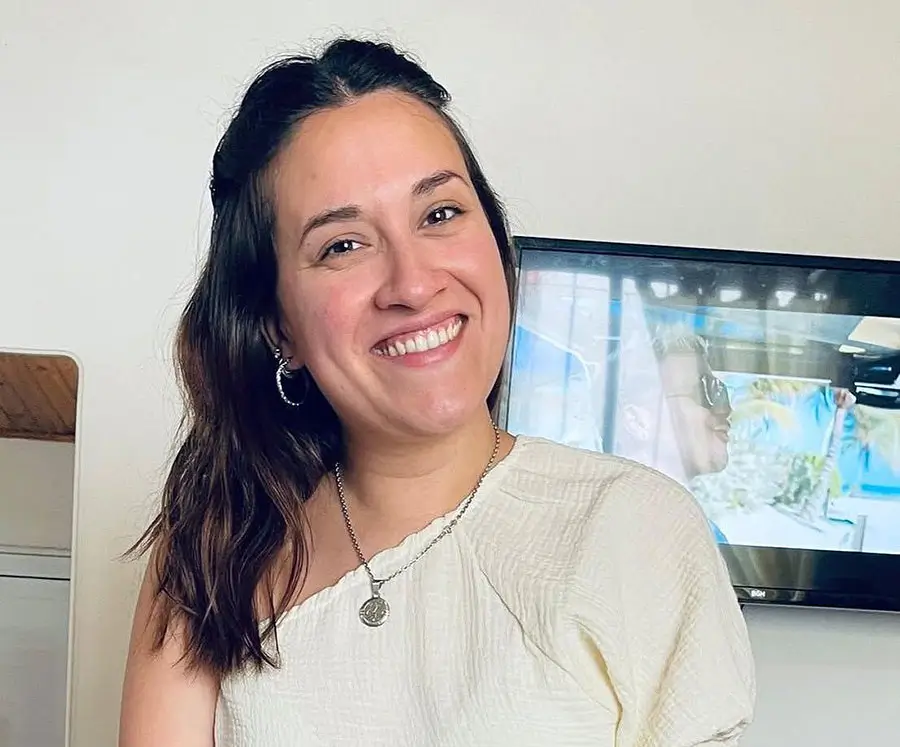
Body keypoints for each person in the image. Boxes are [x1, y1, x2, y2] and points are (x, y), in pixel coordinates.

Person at [119, 38, 755, 746]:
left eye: (440, 214)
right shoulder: (214, 550)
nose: (414, 284)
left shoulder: (635, 529)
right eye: (342, 245)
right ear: (278, 327)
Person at [652, 330, 733, 542]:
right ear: (639, 419)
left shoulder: (709, 537)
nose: (724, 409)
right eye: (701, 392)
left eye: (719, 391)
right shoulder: (611, 527)